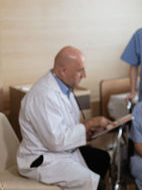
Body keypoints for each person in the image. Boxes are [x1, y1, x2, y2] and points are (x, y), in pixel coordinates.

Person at [17, 46, 113, 190]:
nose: (85, 75)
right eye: (80, 70)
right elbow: (55, 141)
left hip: (61, 151)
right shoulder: (44, 95)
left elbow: (66, 127)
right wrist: (88, 125)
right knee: (97, 185)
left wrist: (86, 134)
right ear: (63, 70)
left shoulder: (64, 88)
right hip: (43, 159)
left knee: (102, 158)